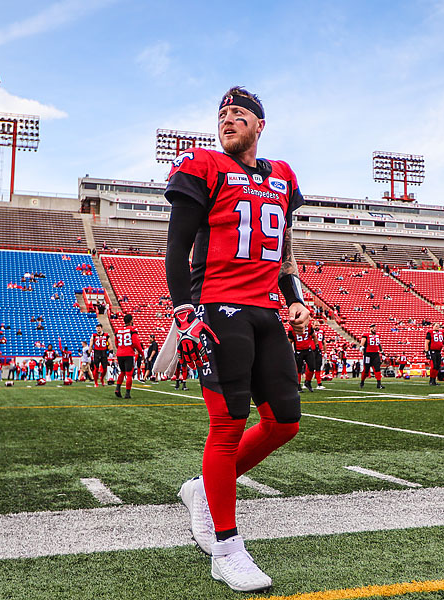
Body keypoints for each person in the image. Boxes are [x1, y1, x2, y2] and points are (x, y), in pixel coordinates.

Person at [163, 86, 308, 592]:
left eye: (239, 113)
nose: (228, 119)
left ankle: (202, 489)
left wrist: (294, 296)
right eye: (222, 114)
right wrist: (184, 311)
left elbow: (283, 248)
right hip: (219, 307)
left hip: (266, 309)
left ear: (259, 125)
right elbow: (177, 246)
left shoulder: (282, 175)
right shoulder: (202, 164)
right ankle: (225, 547)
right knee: (226, 425)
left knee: (283, 423)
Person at [114, 314, 143, 399]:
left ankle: (117, 389)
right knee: (129, 374)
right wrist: (141, 353)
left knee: (122, 372)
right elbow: (136, 343)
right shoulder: (132, 329)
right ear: (131, 321)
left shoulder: (118, 330)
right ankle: (127, 393)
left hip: (120, 353)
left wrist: (120, 349)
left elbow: (116, 343)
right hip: (128, 353)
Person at [359, 324, 385, 389]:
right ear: (370, 329)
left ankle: (379, 384)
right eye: (373, 328)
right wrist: (362, 350)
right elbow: (362, 344)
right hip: (368, 354)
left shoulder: (378, 335)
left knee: (377, 369)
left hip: (375, 354)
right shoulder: (366, 335)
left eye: (375, 328)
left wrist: (382, 352)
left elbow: (378, 344)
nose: (374, 329)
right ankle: (362, 382)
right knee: (366, 370)